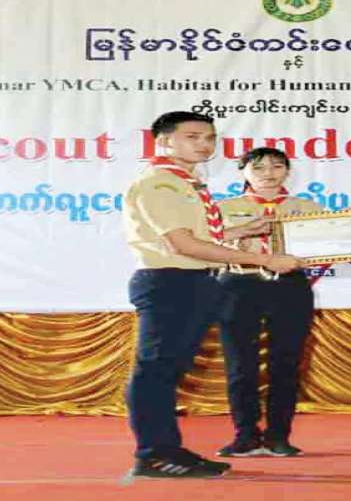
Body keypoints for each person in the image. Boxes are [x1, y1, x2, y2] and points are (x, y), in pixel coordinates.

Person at [122, 112, 303, 479]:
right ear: (164, 141)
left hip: (192, 282)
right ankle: (153, 454)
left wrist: (241, 230)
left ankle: (168, 449)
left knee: (167, 371)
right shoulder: (160, 184)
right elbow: (183, 244)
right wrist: (264, 259)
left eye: (209, 137)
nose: (204, 144)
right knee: (156, 371)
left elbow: (198, 236)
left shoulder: (185, 182)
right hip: (170, 282)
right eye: (192, 137)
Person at [215, 147, 322, 457]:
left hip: (289, 286)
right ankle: (245, 435)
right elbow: (201, 243)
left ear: (288, 171)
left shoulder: (307, 208)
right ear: (243, 172)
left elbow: (326, 248)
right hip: (238, 284)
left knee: (286, 363)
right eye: (259, 168)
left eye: (276, 166)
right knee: (239, 364)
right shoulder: (222, 208)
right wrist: (237, 232)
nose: (268, 174)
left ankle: (279, 436)